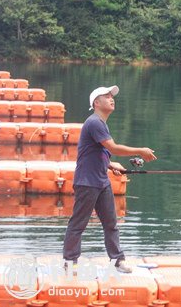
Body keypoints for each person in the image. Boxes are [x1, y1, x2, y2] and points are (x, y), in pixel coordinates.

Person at [62, 85, 157, 274]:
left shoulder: (101, 124)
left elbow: (97, 153)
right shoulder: (94, 122)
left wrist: (111, 165)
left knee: (111, 223)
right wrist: (141, 150)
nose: (111, 98)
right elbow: (113, 148)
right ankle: (69, 261)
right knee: (78, 223)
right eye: (106, 96)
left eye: (111, 96)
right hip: (87, 182)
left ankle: (117, 260)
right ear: (96, 103)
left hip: (101, 181)